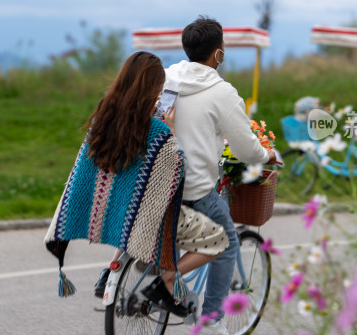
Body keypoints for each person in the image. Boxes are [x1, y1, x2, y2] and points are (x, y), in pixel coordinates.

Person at [45, 51, 228, 316]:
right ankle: (167, 282)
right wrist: (173, 129)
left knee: (129, 203)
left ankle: (111, 269)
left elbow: (84, 173)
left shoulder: (102, 119)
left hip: (115, 213)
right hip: (148, 222)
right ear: (154, 89)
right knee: (218, 239)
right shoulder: (159, 132)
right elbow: (179, 171)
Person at [164, 16, 278, 335]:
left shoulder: (167, 77)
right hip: (193, 187)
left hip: (157, 182)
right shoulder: (222, 92)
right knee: (226, 240)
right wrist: (268, 155)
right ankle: (211, 321)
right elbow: (247, 149)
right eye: (223, 46)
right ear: (217, 54)